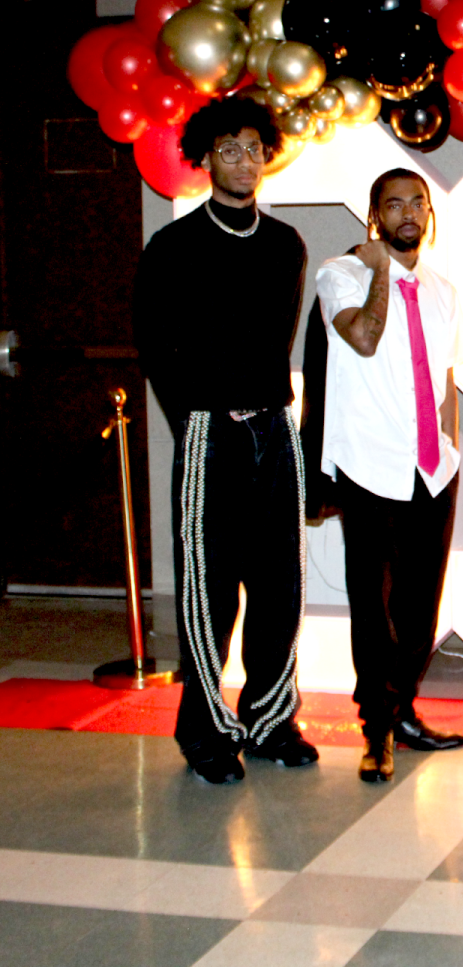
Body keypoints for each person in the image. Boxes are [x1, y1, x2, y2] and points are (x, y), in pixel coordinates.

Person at [133, 97, 316, 784]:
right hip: (210, 431)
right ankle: (206, 733)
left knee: (279, 587)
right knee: (209, 592)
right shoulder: (174, 247)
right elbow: (156, 347)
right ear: (206, 158)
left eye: (254, 148)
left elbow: (277, 340)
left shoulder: (284, 245)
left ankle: (270, 720)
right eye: (229, 148)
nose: (244, 160)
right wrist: (197, 420)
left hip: (276, 425)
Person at [316, 168, 463, 785]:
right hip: (368, 463)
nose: (409, 213)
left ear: (429, 214)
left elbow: (445, 379)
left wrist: (454, 450)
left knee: (419, 602)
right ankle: (375, 728)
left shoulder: (445, 289)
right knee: (371, 605)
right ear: (375, 216)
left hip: (432, 467)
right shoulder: (341, 274)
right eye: (394, 204)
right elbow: (364, 337)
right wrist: (381, 268)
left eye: (418, 203)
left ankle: (403, 709)